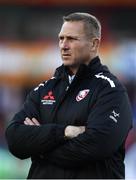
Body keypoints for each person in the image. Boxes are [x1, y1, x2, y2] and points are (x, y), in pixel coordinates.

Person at [5, 12, 132, 179]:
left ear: (94, 44)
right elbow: (15, 139)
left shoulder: (110, 90)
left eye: (72, 39)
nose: (64, 45)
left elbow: (93, 147)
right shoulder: (43, 90)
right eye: (61, 38)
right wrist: (64, 132)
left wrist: (40, 147)